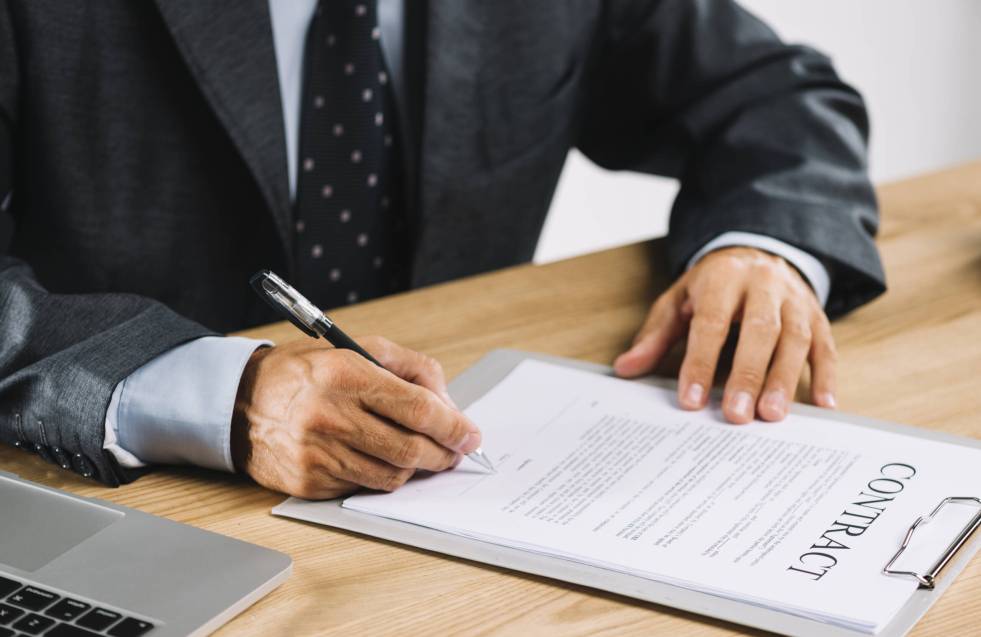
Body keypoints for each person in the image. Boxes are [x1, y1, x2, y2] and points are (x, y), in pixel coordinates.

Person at [0, 0, 885, 499]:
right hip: (122, 508)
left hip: (445, 516)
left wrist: (759, 248)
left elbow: (774, 96)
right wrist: (215, 394)